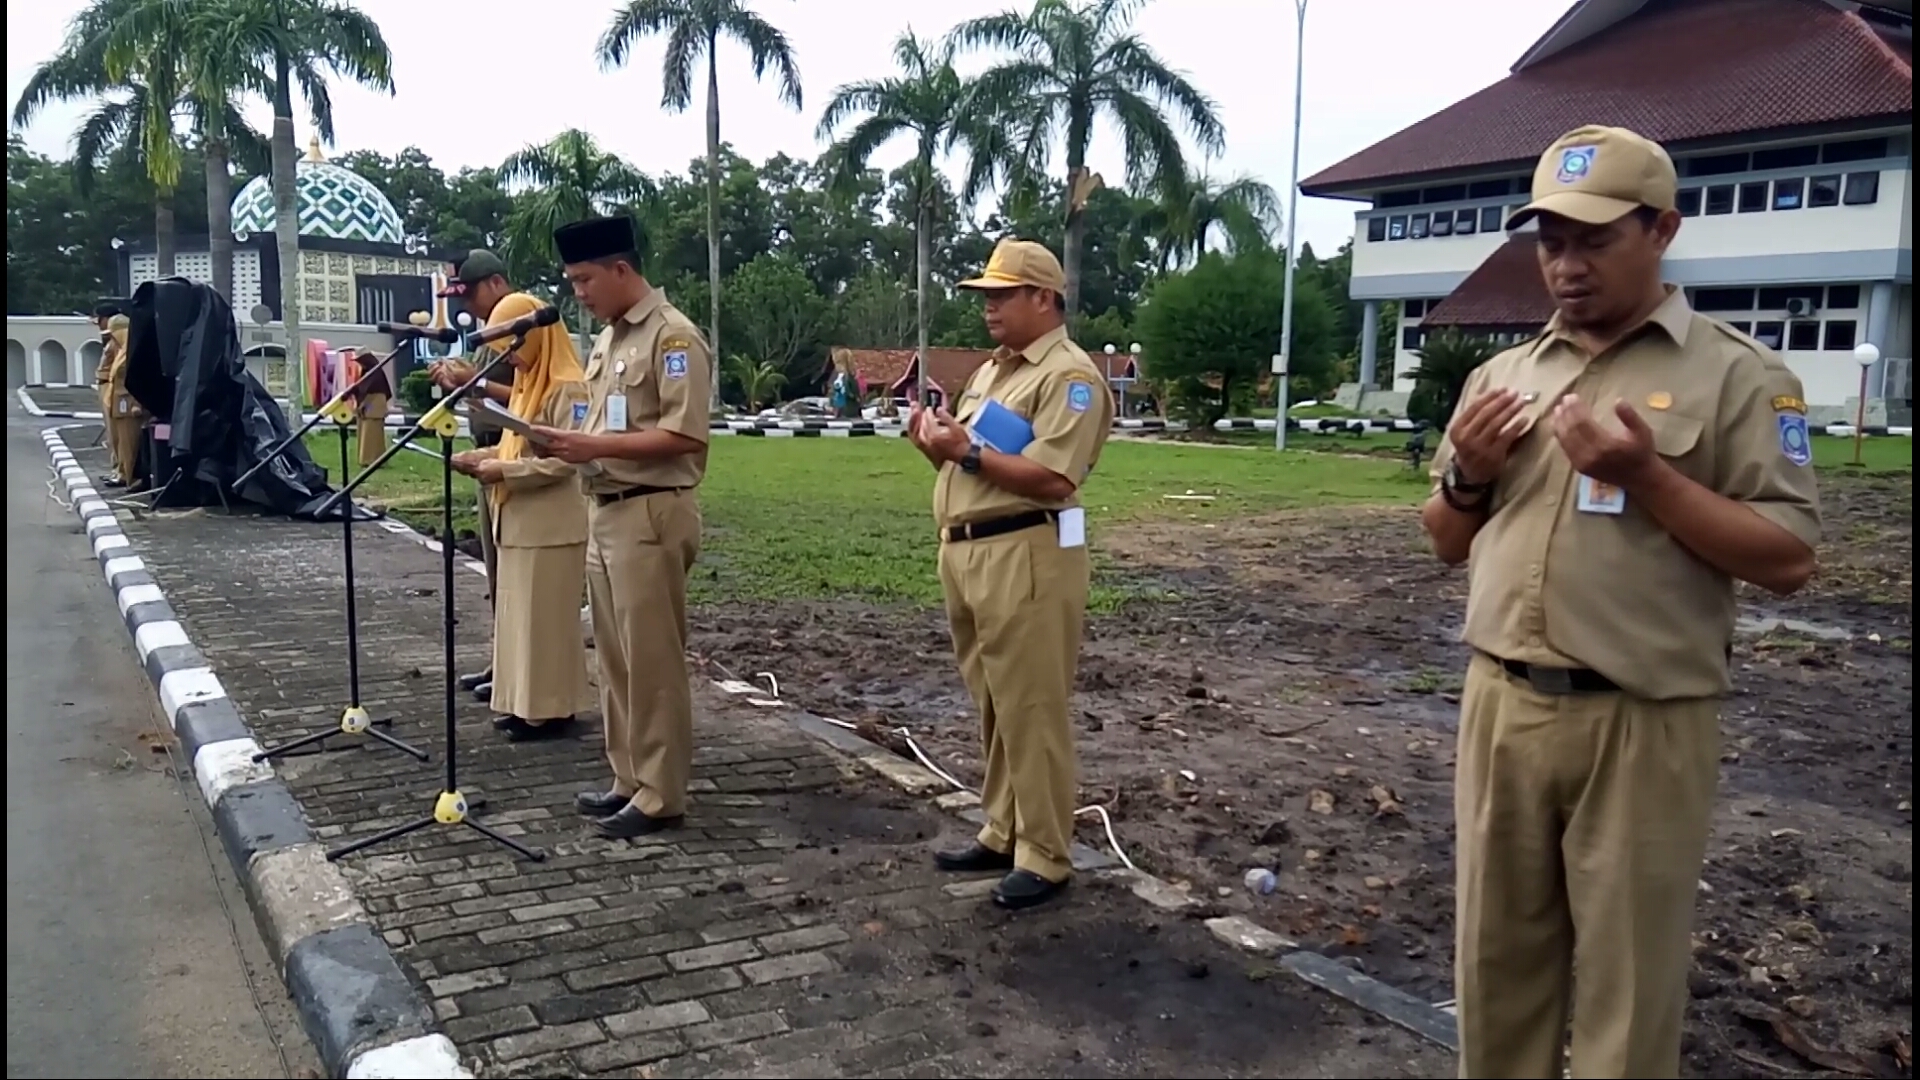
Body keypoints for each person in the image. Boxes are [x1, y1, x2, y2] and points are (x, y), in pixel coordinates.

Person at [1422, 125, 1822, 1079]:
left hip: (1642, 719)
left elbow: (1789, 557)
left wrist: (1649, 477)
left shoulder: (1739, 376)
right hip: (1502, 705)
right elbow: (1444, 538)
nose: (1567, 265)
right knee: (1493, 964)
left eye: (1595, 240)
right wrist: (1469, 473)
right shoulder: (1503, 377)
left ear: (1663, 231)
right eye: (1552, 242)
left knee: (1628, 981)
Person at [906, 239, 1114, 911]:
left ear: (1043, 298)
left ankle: (1045, 853)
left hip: (1025, 552)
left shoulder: (1069, 377)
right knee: (994, 703)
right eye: (986, 296)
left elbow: (1054, 477)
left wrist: (965, 452)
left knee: (1031, 706)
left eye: (1002, 295)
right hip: (969, 549)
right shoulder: (994, 372)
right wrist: (936, 443)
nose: (989, 307)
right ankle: (1003, 828)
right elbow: (972, 459)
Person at [531, 215, 710, 841]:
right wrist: (565, 443)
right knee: (613, 657)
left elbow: (685, 434)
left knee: (651, 659)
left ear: (621, 270)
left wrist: (594, 446)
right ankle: (628, 777)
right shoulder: (609, 340)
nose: (578, 293)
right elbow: (603, 424)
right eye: (571, 282)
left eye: (585, 280)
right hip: (605, 508)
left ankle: (661, 793)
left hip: (650, 510)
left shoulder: (673, 337)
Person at [450, 292, 594, 742]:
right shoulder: (530, 384)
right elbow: (517, 445)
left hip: (551, 526)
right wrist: (484, 457)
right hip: (518, 520)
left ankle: (552, 711)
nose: (510, 360)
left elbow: (567, 462)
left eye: (513, 349)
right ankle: (526, 705)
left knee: (545, 625)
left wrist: (503, 471)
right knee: (520, 622)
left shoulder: (568, 386)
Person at [430, 250, 521, 701]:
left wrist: (477, 382)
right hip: (488, 458)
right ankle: (501, 661)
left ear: (497, 283)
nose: (467, 307)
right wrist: (458, 383)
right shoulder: (490, 332)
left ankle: (516, 669)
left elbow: (538, 394)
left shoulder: (523, 326)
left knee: (516, 577)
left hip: (517, 460)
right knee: (496, 574)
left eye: (470, 295)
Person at [103, 313, 147, 491]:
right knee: (121, 443)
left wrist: (137, 403)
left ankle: (132, 478)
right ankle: (124, 474)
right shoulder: (120, 351)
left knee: (131, 444)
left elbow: (139, 379)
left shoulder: (134, 352)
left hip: (130, 405)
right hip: (117, 403)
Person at [91, 300, 123, 485]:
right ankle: (116, 468)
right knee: (112, 434)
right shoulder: (110, 339)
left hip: (111, 385)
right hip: (105, 384)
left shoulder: (117, 340)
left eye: (100, 319)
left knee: (117, 434)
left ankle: (120, 470)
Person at [349, 347, 392, 466]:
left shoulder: (375, 374)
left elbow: (371, 393)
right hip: (367, 409)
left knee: (372, 435)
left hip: (373, 408)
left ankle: (372, 460)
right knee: (365, 434)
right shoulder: (367, 372)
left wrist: (363, 405)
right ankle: (367, 459)